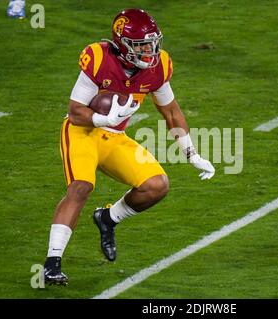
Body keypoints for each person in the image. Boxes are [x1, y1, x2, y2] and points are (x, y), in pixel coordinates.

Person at [42, 8, 215, 285]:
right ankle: (52, 263)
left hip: (115, 138)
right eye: (142, 45)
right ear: (123, 44)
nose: (150, 50)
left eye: (152, 43)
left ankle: (108, 219)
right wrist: (102, 118)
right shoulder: (99, 59)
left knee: (157, 185)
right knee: (81, 186)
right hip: (82, 131)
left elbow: (170, 111)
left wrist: (191, 153)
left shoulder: (159, 67)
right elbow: (75, 112)